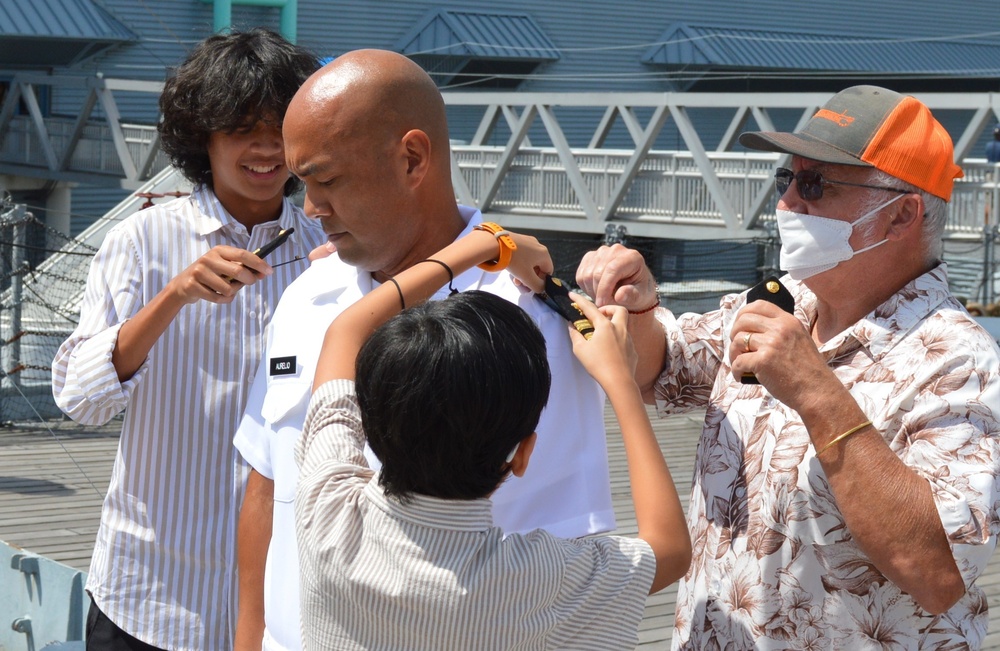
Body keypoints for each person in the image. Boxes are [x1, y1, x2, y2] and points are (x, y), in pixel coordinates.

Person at [576, 85, 1000, 649]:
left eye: (816, 184)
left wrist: (817, 392)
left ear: (900, 215)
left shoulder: (961, 359)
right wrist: (642, 304)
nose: (787, 203)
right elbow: (663, 368)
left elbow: (937, 571)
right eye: (787, 179)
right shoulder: (780, 302)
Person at [233, 49, 617, 651]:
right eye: (299, 182)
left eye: (326, 179)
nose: (309, 208)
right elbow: (266, 487)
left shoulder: (530, 324)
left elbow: (569, 534)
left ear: (412, 159)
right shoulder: (306, 297)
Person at [51, 29, 326, 651]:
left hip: (286, 597)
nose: (264, 149)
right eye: (240, 128)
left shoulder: (330, 249)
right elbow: (79, 398)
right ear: (202, 138)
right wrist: (172, 296)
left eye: (279, 129)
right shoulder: (142, 240)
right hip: (149, 589)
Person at [295, 225, 691, 650]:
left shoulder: (327, 516)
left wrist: (489, 244)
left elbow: (346, 331)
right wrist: (621, 381)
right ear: (522, 455)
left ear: (369, 426)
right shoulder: (538, 578)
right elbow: (668, 550)